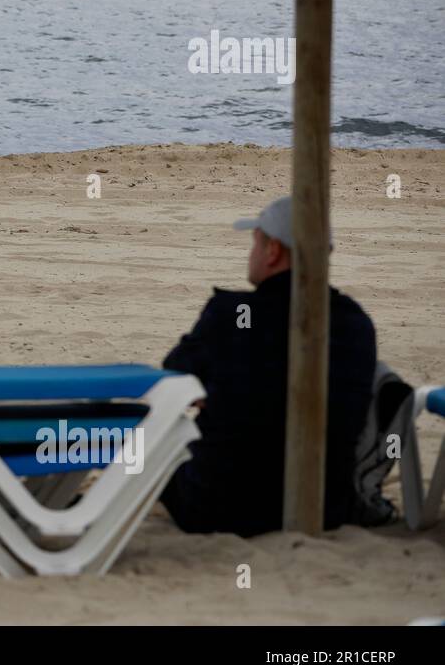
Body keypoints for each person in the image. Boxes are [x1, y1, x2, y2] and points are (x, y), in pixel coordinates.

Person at [159, 196, 376, 536]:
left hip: (217, 508)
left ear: (273, 251)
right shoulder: (355, 324)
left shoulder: (231, 315)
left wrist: (213, 391)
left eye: (256, 243)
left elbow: (174, 371)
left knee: (146, 435)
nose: (252, 254)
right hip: (324, 510)